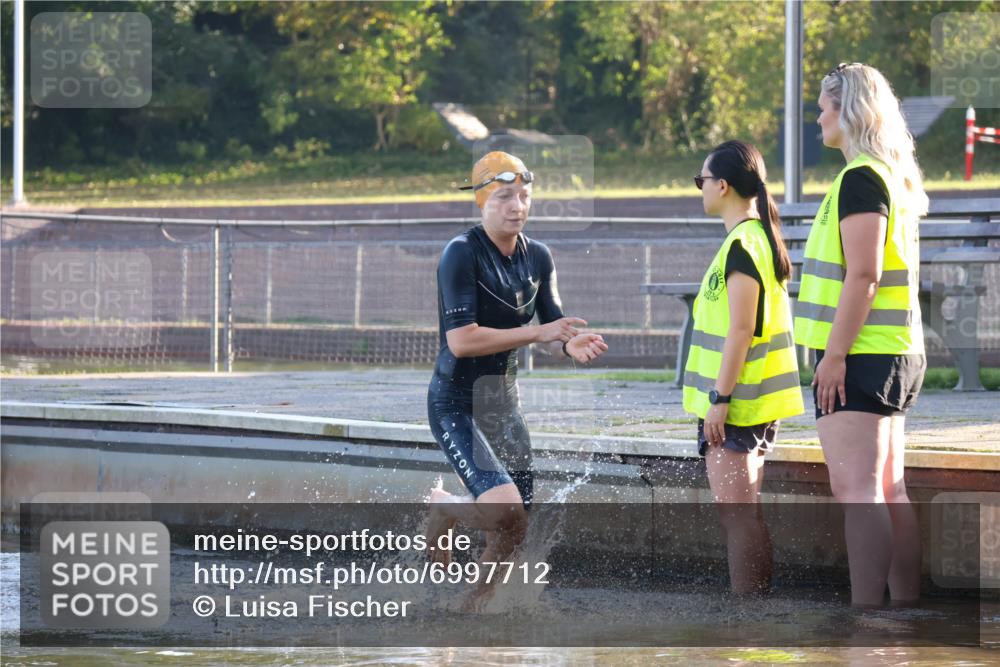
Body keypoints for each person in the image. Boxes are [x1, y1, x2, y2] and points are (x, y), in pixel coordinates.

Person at [425, 151, 608, 610]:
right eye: (505, 196)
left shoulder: (538, 257)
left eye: (524, 196)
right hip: (456, 403)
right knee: (505, 511)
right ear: (482, 201)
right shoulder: (460, 254)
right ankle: (445, 507)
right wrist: (538, 333)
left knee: (516, 524)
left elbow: (551, 329)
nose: (517, 206)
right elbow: (462, 341)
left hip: (503, 405)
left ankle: (474, 609)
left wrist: (567, 344)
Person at [795, 63, 928, 606]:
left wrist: (834, 356)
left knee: (858, 492)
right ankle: (904, 614)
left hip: (862, 354)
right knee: (889, 488)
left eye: (824, 107)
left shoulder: (859, 178)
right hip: (895, 350)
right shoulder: (889, 172)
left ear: (848, 110)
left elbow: (864, 275)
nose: (818, 117)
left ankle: (866, 623)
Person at [682, 140, 804, 595]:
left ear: (724, 185)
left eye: (702, 181)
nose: (700, 189)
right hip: (745, 402)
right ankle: (755, 612)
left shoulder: (744, 245)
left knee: (738, 518)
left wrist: (720, 400)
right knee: (745, 514)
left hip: (737, 404)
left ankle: (746, 618)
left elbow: (739, 331)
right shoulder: (750, 238)